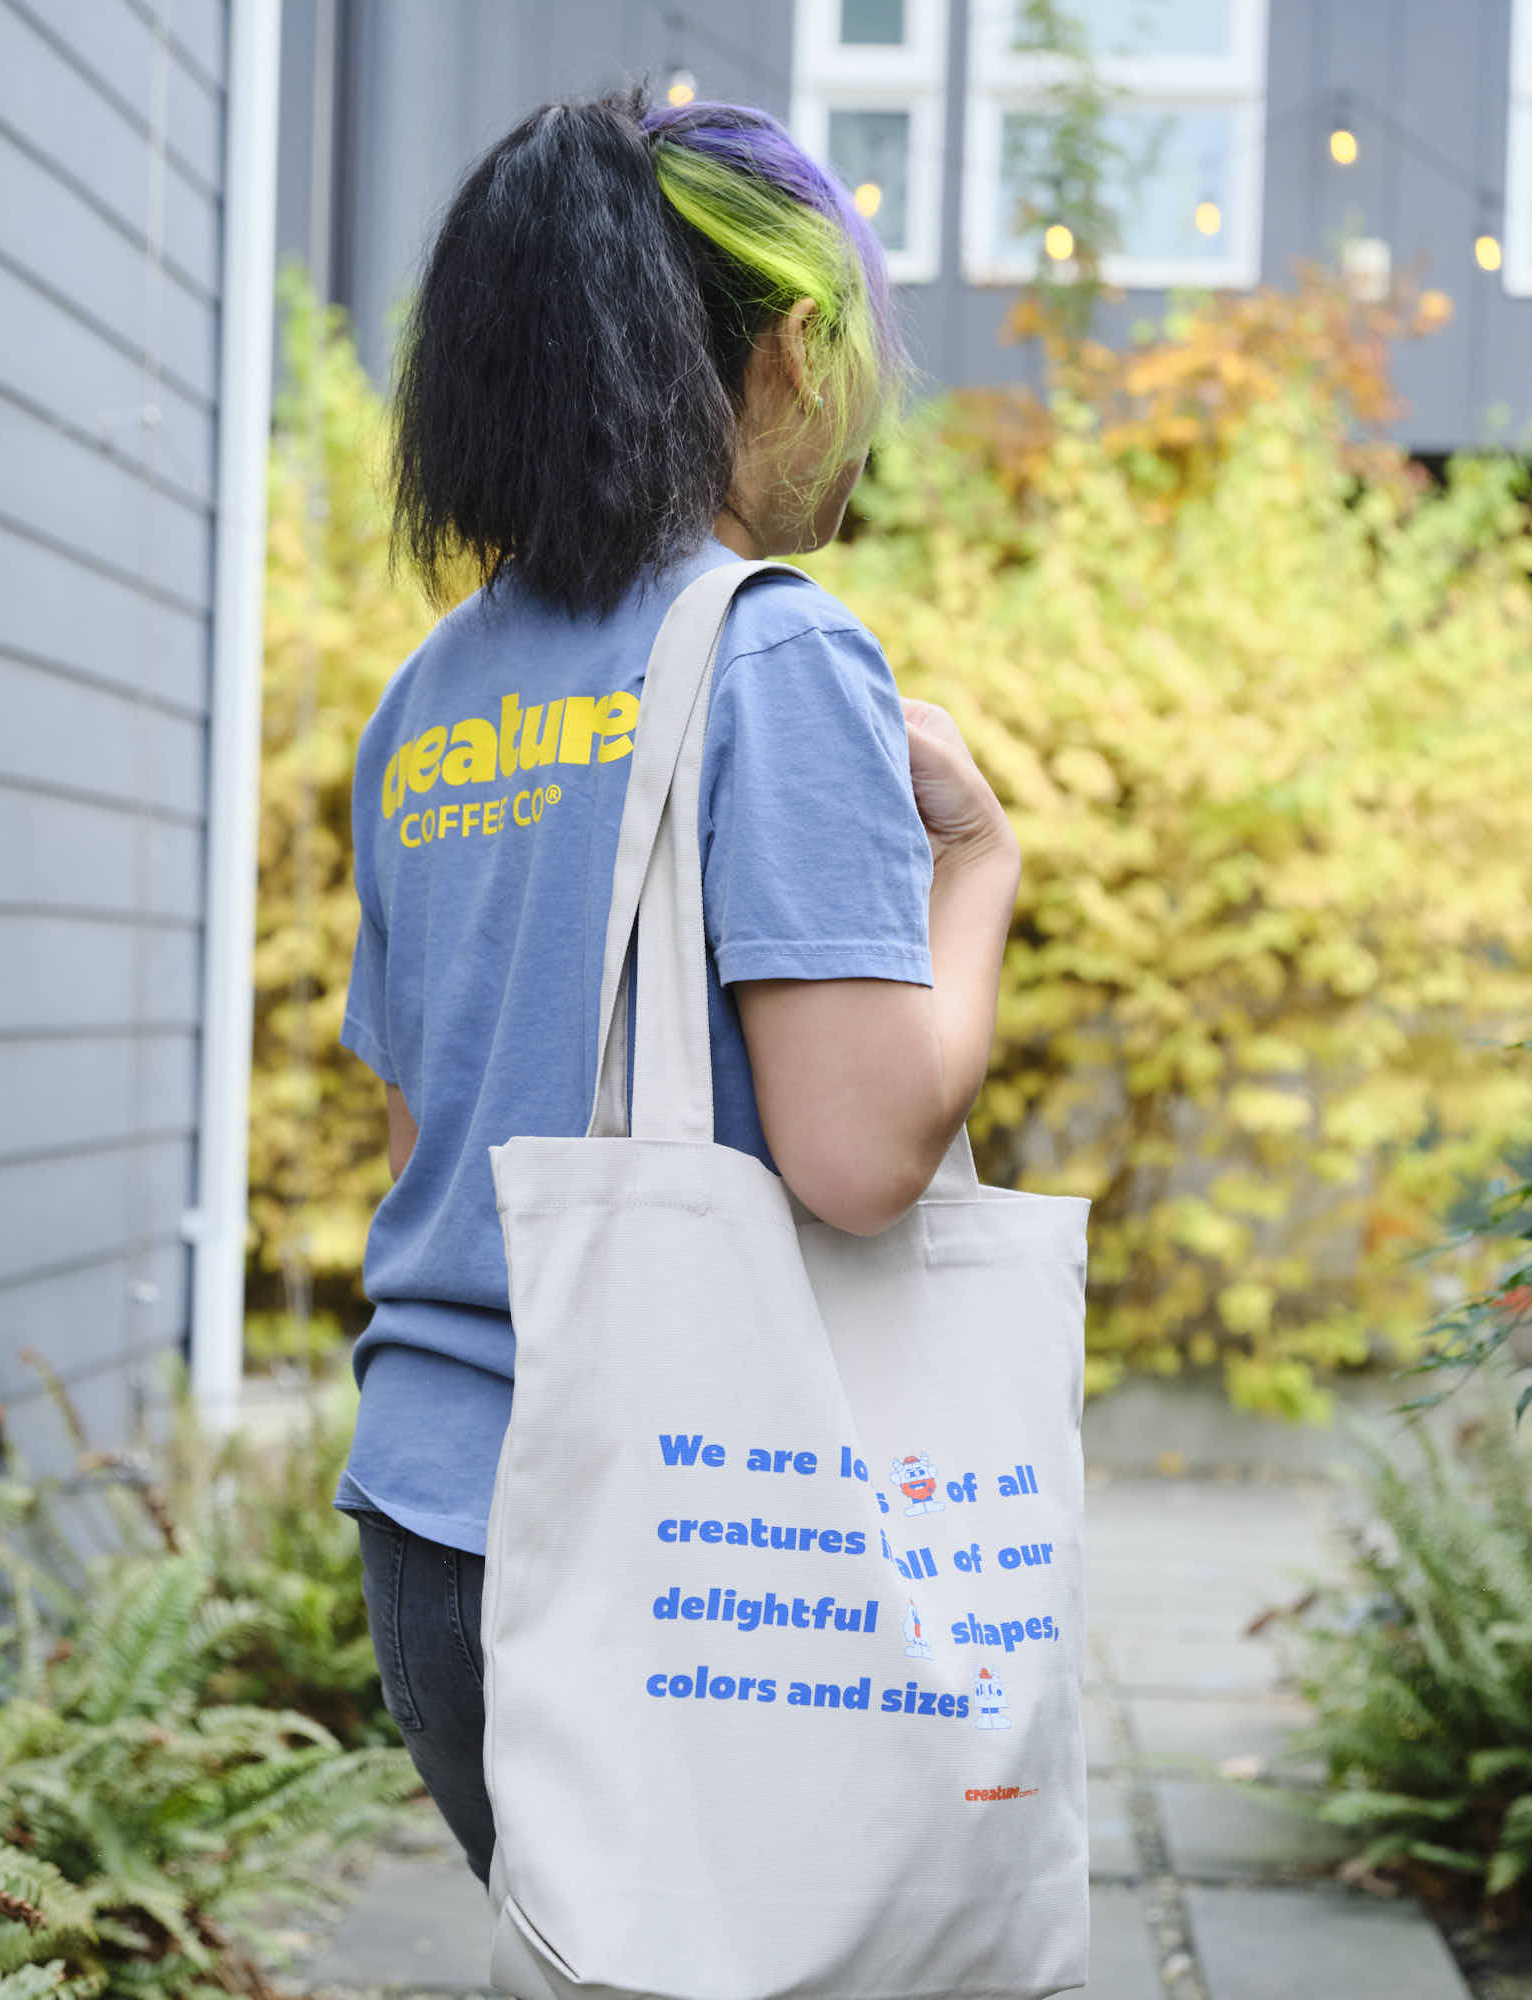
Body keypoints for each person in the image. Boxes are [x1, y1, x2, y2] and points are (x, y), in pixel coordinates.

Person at [335, 88, 1020, 1885]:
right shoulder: (776, 649)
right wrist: (983, 879)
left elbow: (431, 1129)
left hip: (429, 1516)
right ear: (790, 349)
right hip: (686, 1521)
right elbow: (860, 1159)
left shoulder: (428, 701)